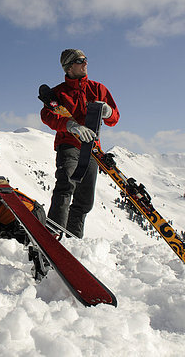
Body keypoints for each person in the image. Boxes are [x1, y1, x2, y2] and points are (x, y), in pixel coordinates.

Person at [40, 49, 119, 238]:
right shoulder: (58, 93)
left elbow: (114, 118)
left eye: (85, 59)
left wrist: (108, 112)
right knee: (66, 186)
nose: (85, 63)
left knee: (85, 199)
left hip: (92, 148)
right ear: (69, 67)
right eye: (79, 60)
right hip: (68, 145)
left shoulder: (98, 89)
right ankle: (52, 237)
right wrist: (69, 125)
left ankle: (73, 239)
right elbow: (47, 115)